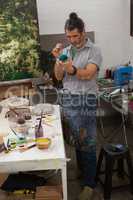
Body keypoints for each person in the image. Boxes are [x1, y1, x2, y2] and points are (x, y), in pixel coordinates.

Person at [54, 12, 102, 200]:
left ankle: (89, 185)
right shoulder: (66, 51)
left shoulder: (94, 50)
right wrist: (58, 60)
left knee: (88, 141)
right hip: (70, 100)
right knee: (77, 139)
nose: (72, 40)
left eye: (75, 36)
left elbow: (88, 74)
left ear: (83, 32)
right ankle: (83, 172)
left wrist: (71, 69)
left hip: (86, 100)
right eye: (68, 37)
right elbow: (58, 77)